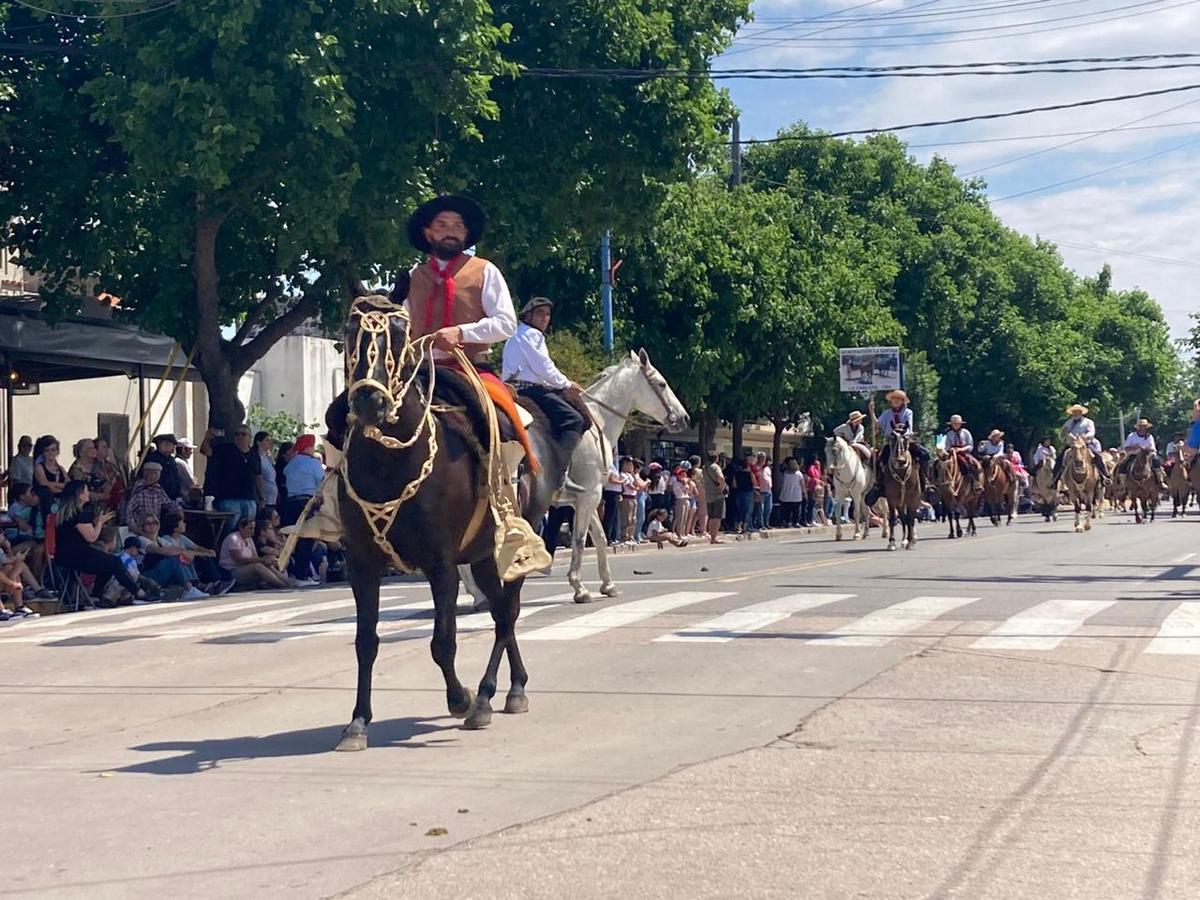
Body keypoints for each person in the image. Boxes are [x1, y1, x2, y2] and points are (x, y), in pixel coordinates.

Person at [501, 297, 588, 482]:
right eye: (540, 313)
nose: (545, 318)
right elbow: (544, 367)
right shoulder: (531, 334)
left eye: (548, 314)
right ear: (529, 315)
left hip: (513, 387)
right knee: (574, 420)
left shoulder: (516, 334)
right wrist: (566, 383)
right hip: (529, 389)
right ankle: (558, 474)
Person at [53, 480, 146, 606]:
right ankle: (136, 591)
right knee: (115, 562)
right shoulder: (79, 514)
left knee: (107, 562)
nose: (88, 493)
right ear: (79, 494)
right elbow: (92, 538)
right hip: (77, 556)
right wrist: (100, 523)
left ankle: (97, 596)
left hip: (64, 555)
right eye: (86, 491)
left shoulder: (64, 514)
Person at [280, 434, 325, 584]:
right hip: (307, 502)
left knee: (294, 538)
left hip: (291, 501)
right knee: (307, 538)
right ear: (307, 448)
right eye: (312, 446)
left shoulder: (291, 464)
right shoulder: (313, 464)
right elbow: (323, 480)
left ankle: (294, 572)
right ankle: (302, 574)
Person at [201, 425, 262, 532]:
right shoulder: (225, 449)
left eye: (243, 434)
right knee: (231, 527)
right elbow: (206, 451)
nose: (239, 436)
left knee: (248, 527)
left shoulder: (254, 454)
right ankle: (227, 546)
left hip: (249, 497)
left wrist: (262, 497)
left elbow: (258, 476)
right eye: (236, 434)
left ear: (250, 437)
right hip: (229, 497)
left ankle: (245, 548)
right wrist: (207, 438)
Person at [872, 390, 931, 494]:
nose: (895, 401)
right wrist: (872, 412)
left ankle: (925, 480)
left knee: (925, 454)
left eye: (898, 399)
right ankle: (879, 483)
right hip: (892, 441)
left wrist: (903, 434)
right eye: (894, 399)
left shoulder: (908, 412)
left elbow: (909, 428)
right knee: (880, 458)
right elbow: (878, 424)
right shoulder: (887, 413)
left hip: (905, 439)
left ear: (902, 401)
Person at [159, 511, 230, 594]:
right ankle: (203, 583)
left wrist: (207, 551)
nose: (185, 524)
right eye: (182, 522)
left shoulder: (182, 538)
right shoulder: (166, 539)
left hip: (187, 561)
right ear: (175, 527)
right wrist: (203, 554)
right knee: (197, 557)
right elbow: (181, 551)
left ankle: (218, 581)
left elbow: (196, 547)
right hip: (179, 566)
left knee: (208, 557)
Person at [219, 516, 293, 590]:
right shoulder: (233, 538)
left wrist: (265, 561)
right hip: (231, 571)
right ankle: (282, 585)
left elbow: (255, 557)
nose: (252, 531)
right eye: (250, 528)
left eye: (253, 528)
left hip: (245, 568)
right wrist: (262, 560)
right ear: (241, 528)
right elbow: (239, 560)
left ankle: (288, 582)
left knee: (267, 565)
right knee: (257, 566)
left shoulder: (249, 539)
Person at [1054, 403, 1110, 484]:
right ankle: (1055, 480)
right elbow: (1063, 434)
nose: (1075, 413)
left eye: (1077, 412)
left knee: (1097, 456)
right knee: (1059, 459)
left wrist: (1084, 437)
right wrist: (1068, 435)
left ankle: (1104, 476)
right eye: (1074, 412)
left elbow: (1092, 432)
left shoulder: (1088, 422)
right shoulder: (1068, 423)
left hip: (1085, 444)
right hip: (1072, 445)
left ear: (1081, 413)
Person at [125, 461, 182, 535]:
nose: (154, 476)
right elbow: (129, 509)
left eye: (157, 474)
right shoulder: (138, 488)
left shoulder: (158, 489)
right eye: (152, 473)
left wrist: (178, 509)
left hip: (153, 527)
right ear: (145, 474)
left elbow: (167, 503)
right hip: (139, 528)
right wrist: (132, 525)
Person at [32, 435, 67, 531]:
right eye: (47, 450)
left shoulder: (61, 469)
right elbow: (44, 483)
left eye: (53, 450)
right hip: (45, 505)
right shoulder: (39, 467)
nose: (50, 453)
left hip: (61, 505)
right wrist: (61, 486)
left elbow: (69, 484)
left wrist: (54, 485)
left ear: (57, 451)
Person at [1119, 418, 1165, 488]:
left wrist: (1146, 449)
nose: (1143, 428)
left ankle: (1160, 481)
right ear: (1138, 427)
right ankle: (1123, 485)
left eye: (1144, 426)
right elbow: (1126, 448)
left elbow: (1153, 448)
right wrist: (1135, 447)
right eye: (1141, 426)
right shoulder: (1132, 436)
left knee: (1156, 462)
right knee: (1123, 465)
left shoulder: (1149, 436)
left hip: (1147, 455)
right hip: (1134, 455)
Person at [944, 414, 982, 493]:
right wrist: (952, 449)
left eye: (957, 424)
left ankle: (976, 482)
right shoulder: (949, 434)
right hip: (953, 453)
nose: (956, 425)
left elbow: (970, 445)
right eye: (954, 424)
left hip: (964, 453)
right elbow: (947, 446)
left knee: (971, 463)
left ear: (960, 424)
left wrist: (962, 449)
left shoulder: (966, 433)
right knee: (942, 464)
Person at [69, 438, 111, 507]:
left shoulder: (99, 465)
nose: (93, 450)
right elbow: (79, 492)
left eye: (94, 447)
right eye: (89, 448)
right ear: (81, 452)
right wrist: (103, 496)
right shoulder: (77, 469)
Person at [142, 434, 183, 502]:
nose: (172, 447)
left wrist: (178, 495)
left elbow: (176, 477)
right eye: (169, 444)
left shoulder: (171, 460)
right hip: (156, 497)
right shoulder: (153, 458)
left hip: (172, 497)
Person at [702, 451, 727, 543]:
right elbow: (720, 478)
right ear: (716, 458)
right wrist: (722, 487)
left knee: (711, 516)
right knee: (717, 516)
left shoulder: (704, 468)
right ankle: (714, 537)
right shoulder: (715, 467)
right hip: (717, 494)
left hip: (708, 493)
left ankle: (712, 536)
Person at [730, 456, 756, 535]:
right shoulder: (750, 473)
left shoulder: (736, 474)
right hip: (748, 492)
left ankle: (737, 526)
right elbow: (754, 482)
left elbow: (734, 485)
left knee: (739, 510)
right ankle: (744, 528)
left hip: (738, 493)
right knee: (747, 510)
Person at [602, 462, 624, 545]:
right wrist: (622, 481)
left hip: (616, 492)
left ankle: (613, 537)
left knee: (615, 517)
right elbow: (611, 480)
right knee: (609, 516)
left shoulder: (614, 466)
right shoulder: (609, 466)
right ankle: (607, 537)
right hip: (610, 492)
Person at [255, 432, 278, 507]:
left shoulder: (268, 458)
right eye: (267, 440)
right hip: (264, 498)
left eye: (270, 440)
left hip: (272, 499)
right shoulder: (256, 458)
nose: (270, 443)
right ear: (259, 442)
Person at [618, 457, 638, 544]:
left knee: (634, 518)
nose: (630, 466)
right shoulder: (622, 474)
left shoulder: (630, 475)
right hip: (627, 497)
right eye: (627, 464)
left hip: (633, 497)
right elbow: (632, 486)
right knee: (627, 518)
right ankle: (624, 536)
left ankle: (631, 536)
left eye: (631, 464)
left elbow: (637, 484)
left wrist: (633, 474)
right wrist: (636, 487)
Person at [755, 452, 774, 530]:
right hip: (760, 491)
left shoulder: (767, 468)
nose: (763, 459)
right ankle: (760, 524)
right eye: (761, 457)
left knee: (768, 508)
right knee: (760, 509)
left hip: (768, 491)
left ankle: (767, 523)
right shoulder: (756, 467)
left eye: (764, 457)